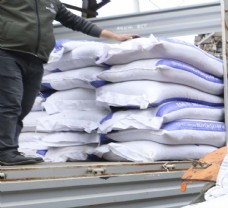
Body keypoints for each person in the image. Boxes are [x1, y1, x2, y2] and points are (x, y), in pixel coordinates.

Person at [0, 0, 137, 166]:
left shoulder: (51, 2)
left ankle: (8, 150)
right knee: (10, 105)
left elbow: (75, 21)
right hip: (6, 53)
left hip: (36, 59)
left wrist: (115, 36)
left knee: (23, 106)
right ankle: (7, 152)